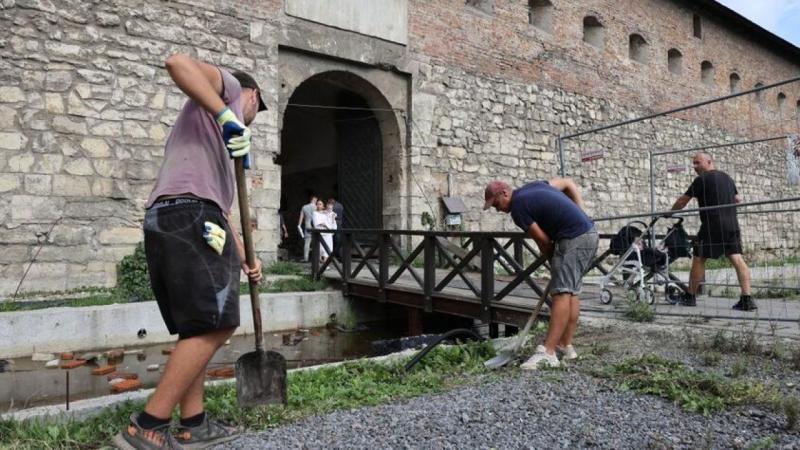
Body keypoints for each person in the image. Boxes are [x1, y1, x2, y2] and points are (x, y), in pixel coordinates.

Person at [114, 53, 266, 449]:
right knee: (217, 323)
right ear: (253, 94)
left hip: (175, 217)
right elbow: (177, 62)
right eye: (256, 110)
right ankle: (148, 424)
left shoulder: (215, 153)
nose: (252, 117)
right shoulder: (231, 91)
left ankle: (193, 422)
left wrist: (247, 258)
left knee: (198, 324)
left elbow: (222, 211)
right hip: (189, 214)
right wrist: (227, 114)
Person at [484, 178, 598, 370]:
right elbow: (568, 183)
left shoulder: (518, 209)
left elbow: (543, 241)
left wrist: (552, 260)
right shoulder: (533, 186)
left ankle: (548, 353)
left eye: (496, 204)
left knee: (561, 292)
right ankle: (565, 347)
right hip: (588, 233)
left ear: (504, 193)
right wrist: (581, 213)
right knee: (571, 291)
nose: (497, 209)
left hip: (572, 238)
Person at [670, 152, 756, 311]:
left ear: (709, 162)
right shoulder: (727, 178)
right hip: (731, 224)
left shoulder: (701, 180)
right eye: (694, 163)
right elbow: (738, 199)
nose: (695, 167)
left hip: (712, 225)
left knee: (698, 258)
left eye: (698, 163)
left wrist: (669, 212)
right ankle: (747, 299)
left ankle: (690, 297)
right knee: (737, 259)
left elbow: (683, 201)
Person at [298, 193, 317, 262]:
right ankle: (317, 257)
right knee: (317, 241)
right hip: (315, 226)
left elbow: (301, 218)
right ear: (314, 200)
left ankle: (306, 258)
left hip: (307, 225)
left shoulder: (304, 207)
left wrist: (299, 226)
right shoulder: (316, 207)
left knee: (307, 242)